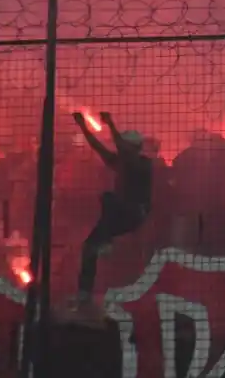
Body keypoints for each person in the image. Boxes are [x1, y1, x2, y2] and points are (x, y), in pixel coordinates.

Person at [71, 112, 152, 312]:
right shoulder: (122, 162)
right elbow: (98, 147)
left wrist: (111, 125)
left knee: (109, 198)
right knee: (89, 246)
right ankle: (83, 294)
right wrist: (83, 126)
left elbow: (120, 149)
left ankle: (105, 242)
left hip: (134, 214)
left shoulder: (144, 164)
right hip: (116, 216)